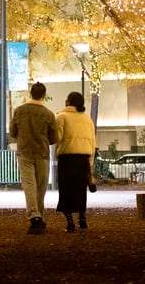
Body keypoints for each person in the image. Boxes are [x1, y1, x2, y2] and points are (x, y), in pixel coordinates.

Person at [9, 81, 57, 235]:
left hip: (24, 152)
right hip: (42, 153)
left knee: (29, 185)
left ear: (30, 93)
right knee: (41, 188)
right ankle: (38, 216)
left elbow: (12, 132)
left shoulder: (19, 111)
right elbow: (54, 137)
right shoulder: (49, 114)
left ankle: (35, 217)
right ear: (44, 95)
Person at [55, 91, 96, 233]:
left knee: (66, 191)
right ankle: (83, 220)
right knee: (80, 191)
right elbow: (92, 142)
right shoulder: (87, 119)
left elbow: (57, 138)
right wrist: (91, 162)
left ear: (68, 102)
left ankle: (70, 222)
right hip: (83, 159)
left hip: (67, 158)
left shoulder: (61, 117)